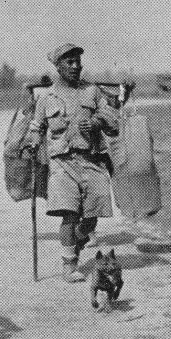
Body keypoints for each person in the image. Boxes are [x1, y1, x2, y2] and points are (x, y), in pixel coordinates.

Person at [27, 44, 120, 282]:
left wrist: (98, 122)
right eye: (70, 62)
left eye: (78, 61)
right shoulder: (46, 97)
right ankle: (69, 265)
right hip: (62, 163)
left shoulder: (92, 91)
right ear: (58, 66)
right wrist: (34, 143)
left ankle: (77, 240)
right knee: (69, 216)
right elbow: (37, 126)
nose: (76, 66)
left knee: (90, 220)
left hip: (92, 160)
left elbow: (113, 120)